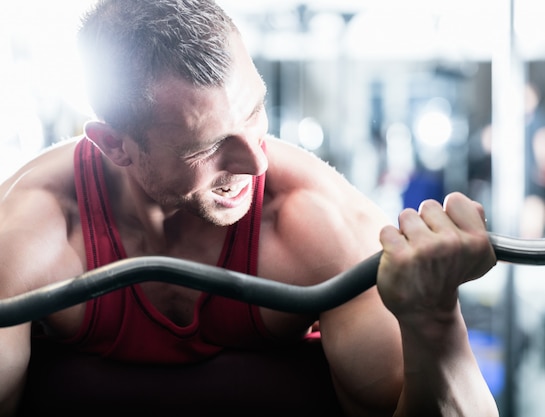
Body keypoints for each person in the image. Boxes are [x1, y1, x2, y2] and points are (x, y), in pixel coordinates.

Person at [0, 1, 499, 416]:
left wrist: (435, 323)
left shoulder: (318, 224)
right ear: (116, 146)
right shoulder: (29, 236)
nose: (258, 161)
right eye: (207, 146)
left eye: (255, 111)